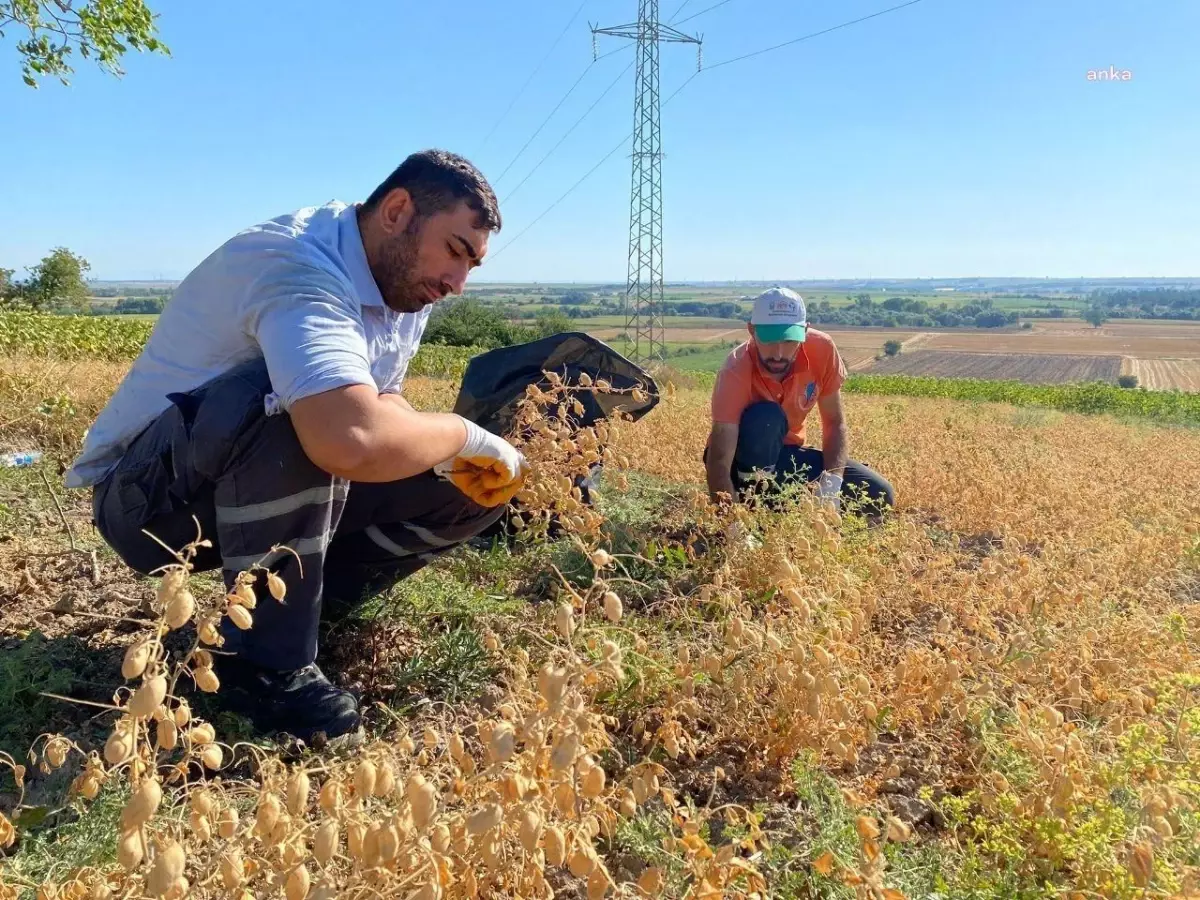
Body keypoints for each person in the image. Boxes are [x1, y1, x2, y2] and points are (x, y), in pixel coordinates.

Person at [65, 149, 527, 745]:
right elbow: (347, 438)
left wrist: (463, 455)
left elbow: (385, 404)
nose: (457, 284)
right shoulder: (298, 265)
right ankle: (261, 666)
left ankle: (298, 607)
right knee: (294, 402)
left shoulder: (402, 284)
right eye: (455, 251)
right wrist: (466, 433)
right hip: (149, 508)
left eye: (472, 265)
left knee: (465, 481)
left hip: (239, 483)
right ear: (396, 211)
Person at [704, 287, 895, 516]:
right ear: (752, 331)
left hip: (786, 456)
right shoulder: (735, 370)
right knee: (766, 418)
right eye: (769, 339)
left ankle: (780, 507)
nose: (778, 353)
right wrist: (732, 521)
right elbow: (719, 460)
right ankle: (753, 504)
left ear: (805, 331)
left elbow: (834, 423)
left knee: (878, 494)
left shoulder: (822, 350)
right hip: (740, 463)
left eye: (789, 340)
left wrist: (831, 484)